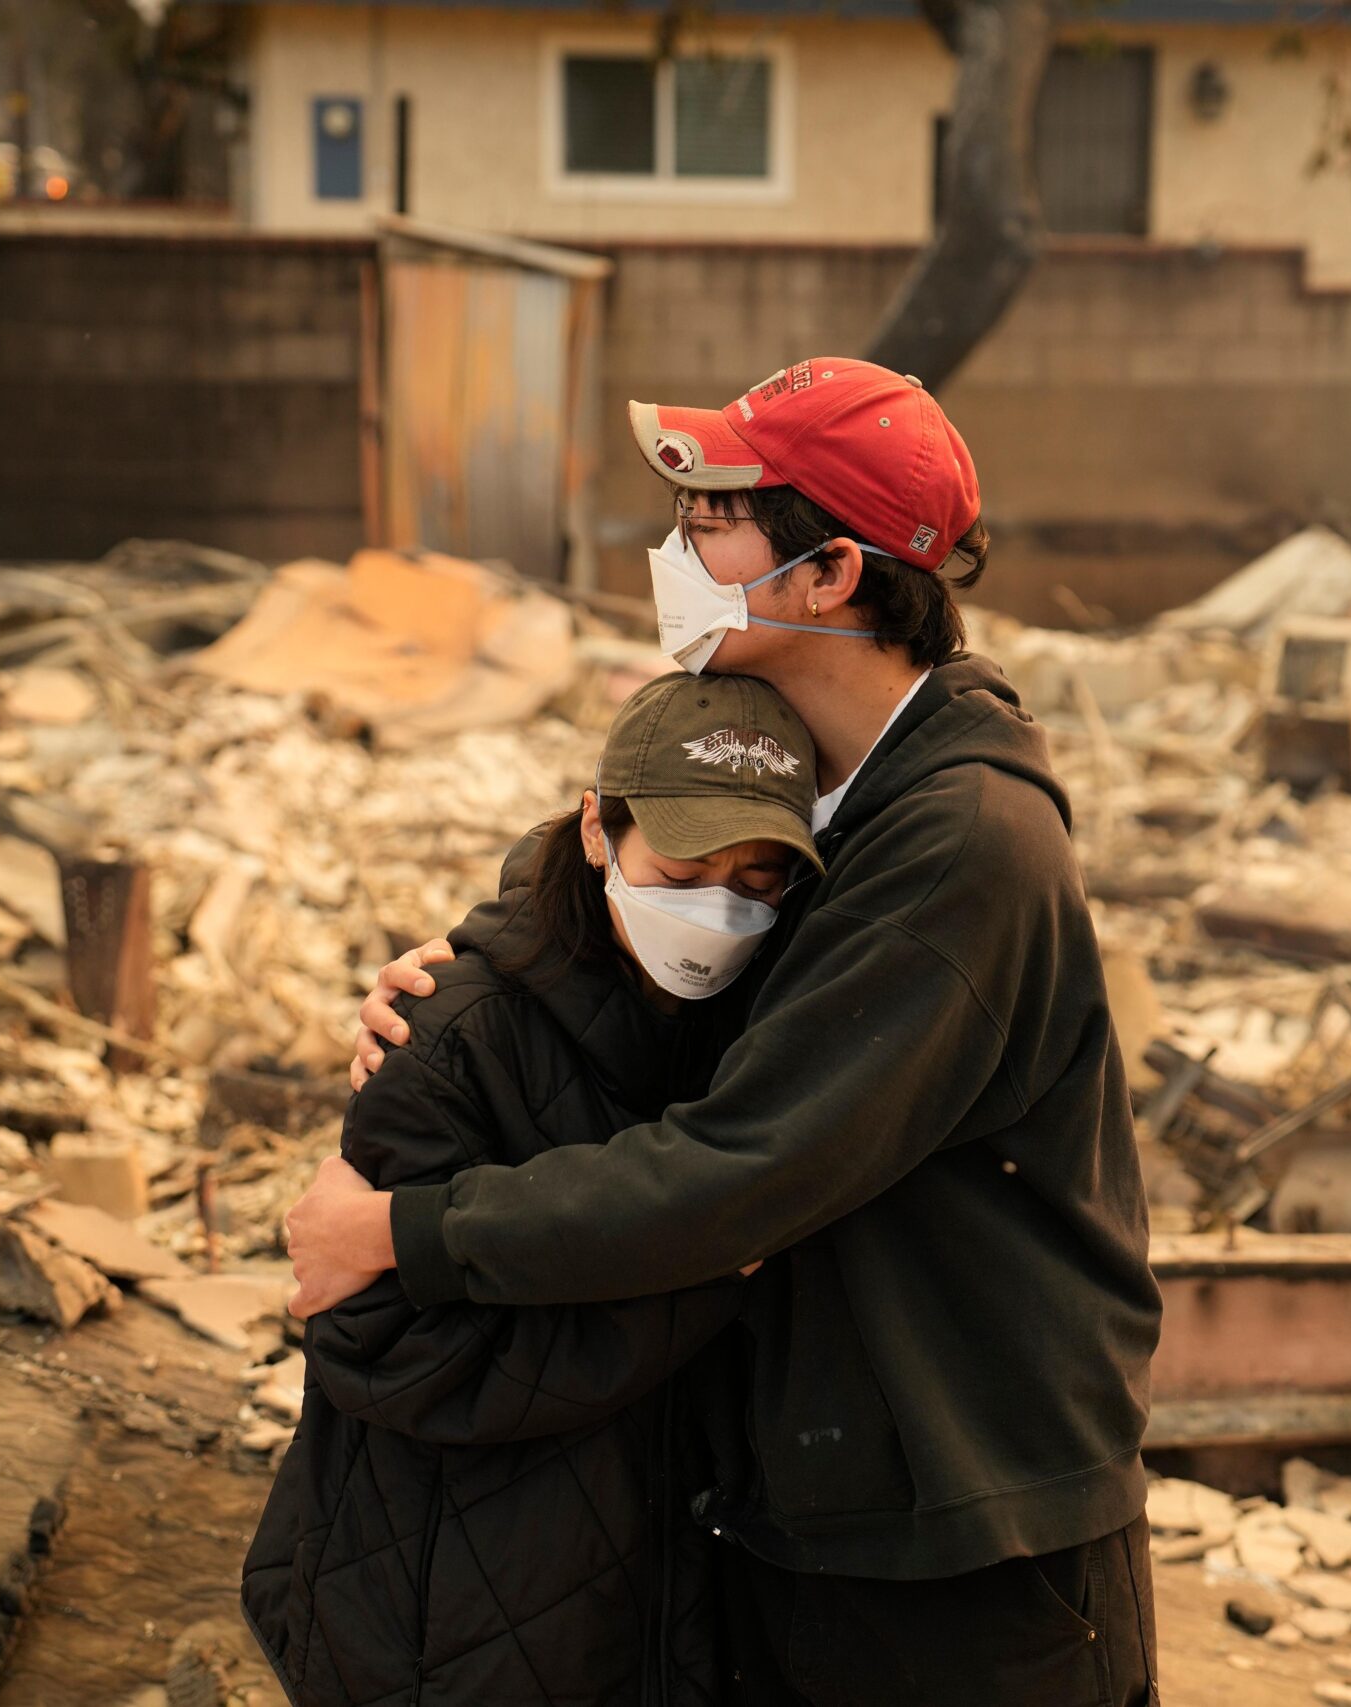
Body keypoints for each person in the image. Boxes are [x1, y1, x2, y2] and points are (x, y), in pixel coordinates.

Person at [284, 358, 1165, 1706]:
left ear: (828, 576)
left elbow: (743, 1166)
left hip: (965, 1537)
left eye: (712, 520)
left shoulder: (959, 843)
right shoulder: (832, 786)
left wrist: (406, 1233)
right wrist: (482, 968)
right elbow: (652, 841)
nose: (675, 550)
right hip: (832, 1493)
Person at [244, 672, 824, 1707]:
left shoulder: (753, 1034)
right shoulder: (450, 1032)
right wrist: (699, 1283)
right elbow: (380, 1344)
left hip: (643, 1603)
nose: (720, 906)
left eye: (759, 877)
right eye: (685, 864)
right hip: (445, 1608)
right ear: (599, 828)